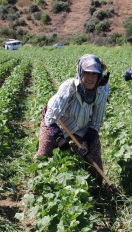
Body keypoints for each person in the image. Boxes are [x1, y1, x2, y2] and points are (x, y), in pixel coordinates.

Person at [34, 54, 110, 186]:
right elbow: (51, 116)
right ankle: (38, 185)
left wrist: (86, 141)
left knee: (94, 157)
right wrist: (58, 138)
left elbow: (96, 122)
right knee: (44, 154)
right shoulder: (69, 88)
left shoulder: (101, 93)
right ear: (80, 72)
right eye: (87, 73)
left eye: (95, 74)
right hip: (56, 123)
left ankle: (96, 190)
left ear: (99, 76)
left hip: (82, 127)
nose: (91, 78)